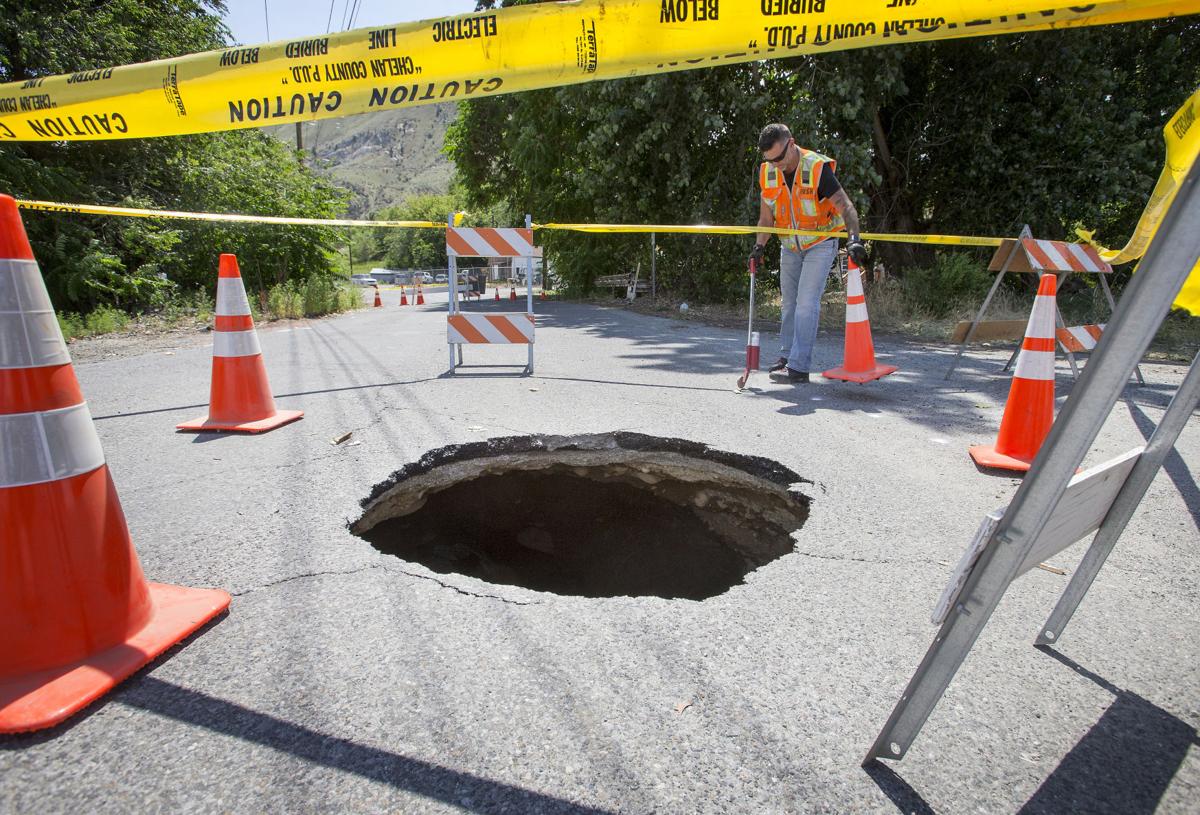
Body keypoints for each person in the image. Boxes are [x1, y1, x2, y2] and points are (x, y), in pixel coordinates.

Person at [749, 123, 867, 383]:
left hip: (820, 243)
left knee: (805, 303)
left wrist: (854, 240)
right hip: (790, 247)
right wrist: (759, 246)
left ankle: (799, 366)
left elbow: (846, 207)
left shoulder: (816, 168)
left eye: (779, 158)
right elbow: (766, 218)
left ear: (791, 143)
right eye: (770, 160)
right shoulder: (768, 172)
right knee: (789, 304)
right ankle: (786, 357)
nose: (776, 164)